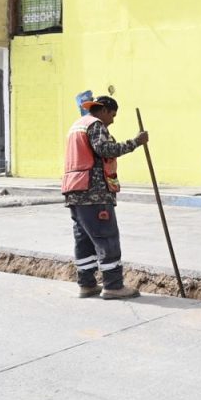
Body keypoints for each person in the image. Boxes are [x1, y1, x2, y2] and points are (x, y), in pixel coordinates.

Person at [62, 96, 149, 299]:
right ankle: (113, 286)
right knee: (106, 237)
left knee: (84, 240)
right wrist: (135, 142)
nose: (113, 120)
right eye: (113, 115)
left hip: (75, 191)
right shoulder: (96, 125)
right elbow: (105, 149)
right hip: (94, 193)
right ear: (104, 110)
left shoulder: (77, 125)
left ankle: (87, 284)